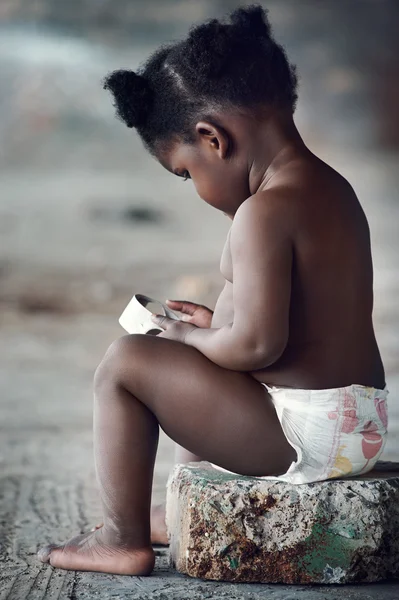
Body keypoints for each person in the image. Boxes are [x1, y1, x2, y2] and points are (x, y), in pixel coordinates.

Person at [37, 4, 388, 575]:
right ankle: (177, 511)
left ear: (213, 139)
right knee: (193, 362)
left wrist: (183, 336)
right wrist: (212, 329)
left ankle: (119, 541)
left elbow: (255, 349)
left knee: (128, 363)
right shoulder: (331, 188)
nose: (191, 185)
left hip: (303, 436)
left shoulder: (262, 212)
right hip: (358, 422)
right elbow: (301, 322)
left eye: (184, 172)